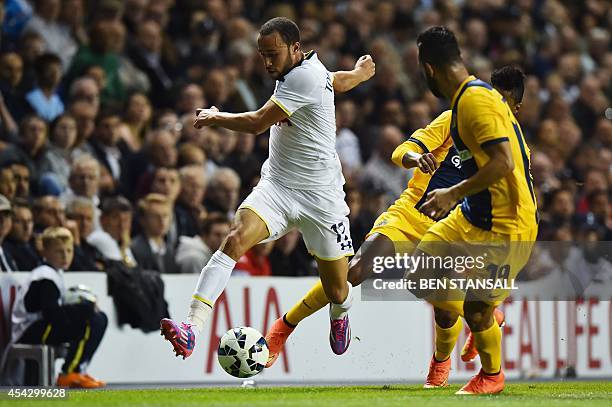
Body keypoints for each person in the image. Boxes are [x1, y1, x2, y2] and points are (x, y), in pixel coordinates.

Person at [263, 65, 529, 390]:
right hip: (410, 216)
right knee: (354, 272)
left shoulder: (515, 151)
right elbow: (400, 150)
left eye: (504, 104)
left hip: (457, 229)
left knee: (445, 310)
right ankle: (283, 327)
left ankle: (441, 364)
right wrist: (416, 158)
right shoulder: (455, 119)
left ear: (515, 109)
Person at [160, 17, 375, 359]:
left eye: (273, 54)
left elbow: (259, 122)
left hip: (321, 198)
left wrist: (216, 117)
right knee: (234, 240)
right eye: (262, 55)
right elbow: (335, 81)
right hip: (277, 186)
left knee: (338, 289)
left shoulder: (302, 76)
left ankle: (340, 312)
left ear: (295, 48)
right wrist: (360, 74)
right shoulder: (309, 73)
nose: (267, 62)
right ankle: (191, 328)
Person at [408, 27, 537, 394]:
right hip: (473, 214)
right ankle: (489, 314)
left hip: (507, 224)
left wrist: (451, 193)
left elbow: (504, 163)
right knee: (419, 277)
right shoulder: (468, 99)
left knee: (476, 308)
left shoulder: (475, 103)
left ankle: (492, 375)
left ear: (429, 68)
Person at [11, 226, 107, 388]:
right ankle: (70, 372)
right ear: (45, 252)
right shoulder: (45, 277)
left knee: (96, 318)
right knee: (94, 320)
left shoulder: (53, 274)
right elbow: (52, 314)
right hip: (29, 330)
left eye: (69, 251)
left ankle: (78, 370)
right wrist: (86, 308)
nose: (66, 256)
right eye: (59, 251)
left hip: (38, 327)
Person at [130, 193, 176, 273]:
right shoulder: (134, 249)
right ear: (143, 220)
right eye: (155, 216)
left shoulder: (170, 250)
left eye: (165, 216)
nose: (162, 221)